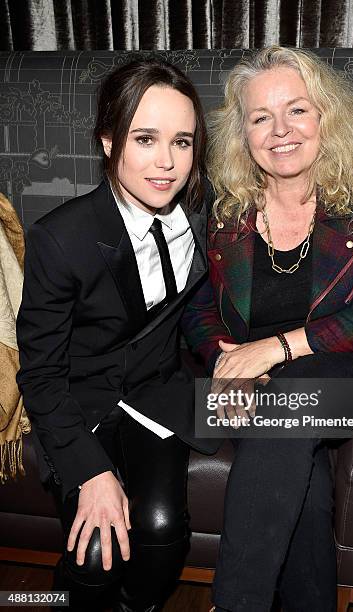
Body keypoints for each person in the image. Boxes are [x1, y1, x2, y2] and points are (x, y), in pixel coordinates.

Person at [182, 46, 353, 612]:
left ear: (326, 116)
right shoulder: (227, 204)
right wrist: (227, 362)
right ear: (243, 132)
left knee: (289, 398)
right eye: (261, 117)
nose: (280, 130)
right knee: (298, 471)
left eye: (297, 111)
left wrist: (274, 351)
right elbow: (197, 309)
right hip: (262, 384)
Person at [16, 58, 215, 612]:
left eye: (182, 142)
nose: (167, 163)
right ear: (108, 141)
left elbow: (199, 305)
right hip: (80, 404)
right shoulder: (62, 239)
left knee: (160, 532)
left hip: (155, 390)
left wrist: (227, 357)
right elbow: (40, 373)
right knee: (98, 549)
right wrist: (91, 471)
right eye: (145, 138)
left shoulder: (200, 213)